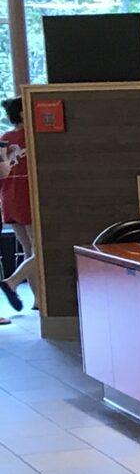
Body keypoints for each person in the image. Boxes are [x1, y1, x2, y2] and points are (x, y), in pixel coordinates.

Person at [0, 98, 29, 317]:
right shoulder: (31, 137)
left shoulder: (4, 139)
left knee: (29, 250)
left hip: (8, 197)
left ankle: (39, 301)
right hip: (27, 195)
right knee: (39, 251)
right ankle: (12, 281)